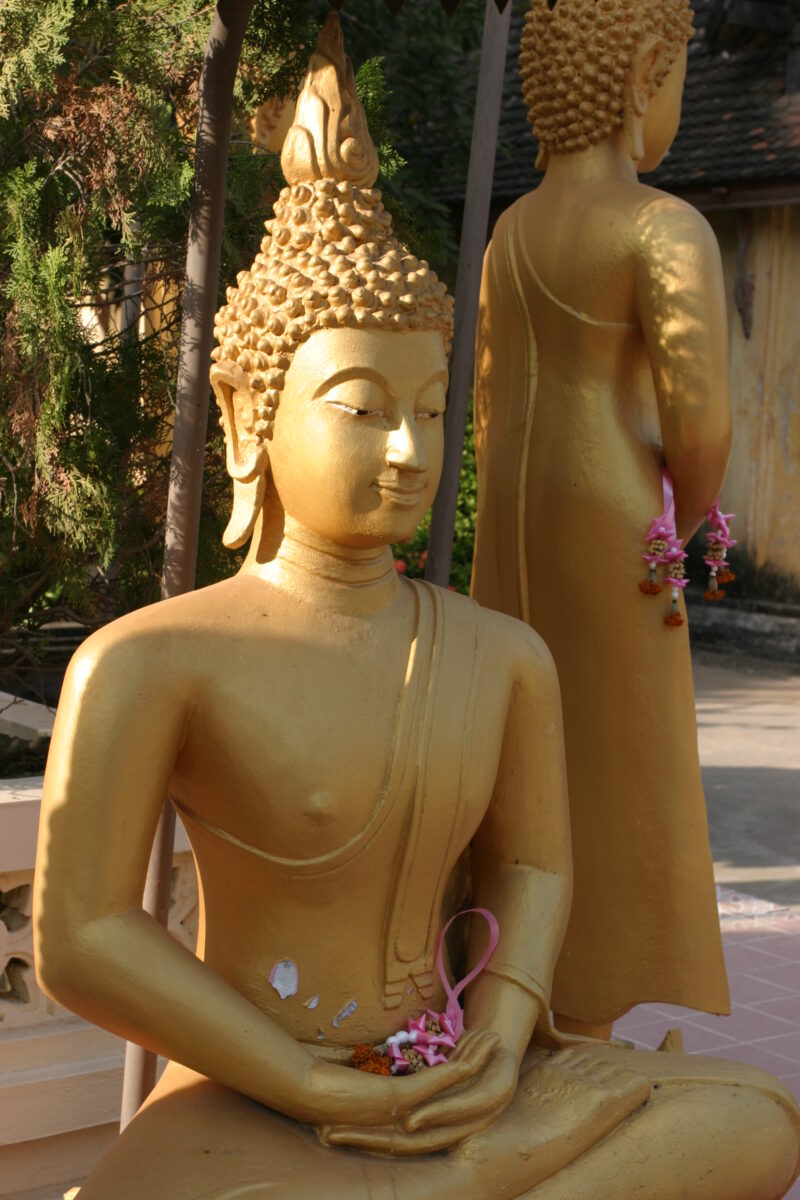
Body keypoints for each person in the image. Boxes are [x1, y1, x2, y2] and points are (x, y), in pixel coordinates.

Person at [34, 15, 800, 1199]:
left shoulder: (501, 656)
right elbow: (81, 939)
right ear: (246, 422)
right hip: (253, 1097)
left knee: (756, 1119)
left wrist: (499, 1030)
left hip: (450, 1075)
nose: (407, 449)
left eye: (433, 410)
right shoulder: (149, 660)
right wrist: (311, 1083)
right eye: (359, 407)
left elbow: (532, 869)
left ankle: (455, 1179)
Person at [472, 0, 732, 1036]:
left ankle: (518, 982)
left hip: (517, 508)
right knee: (623, 759)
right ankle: (593, 1002)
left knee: (522, 748)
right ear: (640, 73)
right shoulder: (662, 227)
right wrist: (684, 521)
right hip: (617, 511)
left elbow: (488, 395)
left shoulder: (507, 232)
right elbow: (700, 425)